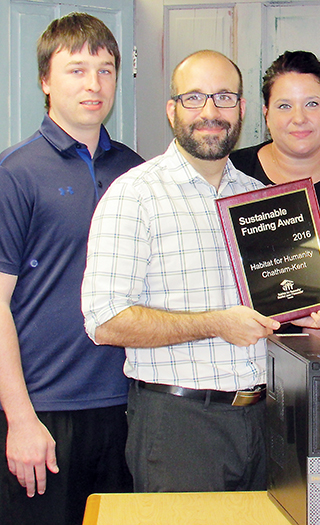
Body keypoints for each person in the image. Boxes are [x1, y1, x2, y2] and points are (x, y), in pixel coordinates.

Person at [81, 50, 320, 493]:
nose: (210, 112)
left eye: (224, 98)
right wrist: (216, 323)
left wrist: (301, 311)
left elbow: (267, 306)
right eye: (194, 98)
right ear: (172, 110)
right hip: (180, 425)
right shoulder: (134, 195)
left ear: (242, 110)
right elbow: (104, 321)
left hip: (266, 419)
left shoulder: (261, 198)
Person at [0, 13, 143, 525]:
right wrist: (20, 418)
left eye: (105, 70)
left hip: (129, 406)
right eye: (77, 70)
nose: (94, 84)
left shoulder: (137, 172)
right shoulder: (13, 173)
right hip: (44, 413)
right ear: (45, 80)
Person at [230, 50, 320, 205]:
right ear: (267, 115)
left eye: (312, 104)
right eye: (284, 106)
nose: (299, 119)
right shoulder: (231, 171)